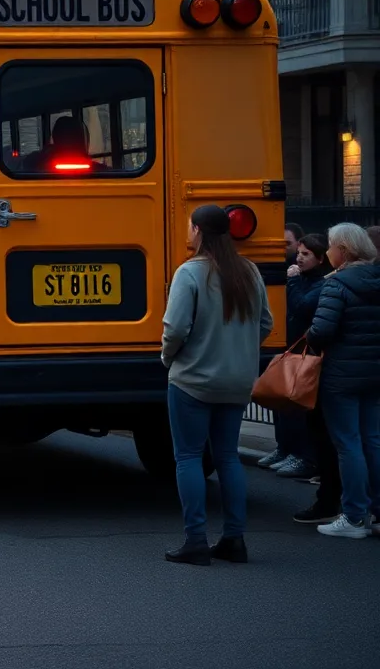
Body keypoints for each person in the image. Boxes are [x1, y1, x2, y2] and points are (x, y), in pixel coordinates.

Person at [160, 204, 273, 565]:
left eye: (190, 227)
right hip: (238, 379)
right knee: (227, 457)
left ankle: (195, 539)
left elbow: (175, 328)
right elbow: (266, 323)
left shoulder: (189, 273)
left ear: (197, 231)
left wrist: (169, 357)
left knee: (189, 456)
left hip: (193, 379)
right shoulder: (250, 271)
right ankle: (234, 539)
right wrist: (239, 350)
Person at [304, 223, 380, 539]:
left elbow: (321, 331)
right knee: (373, 440)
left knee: (347, 444)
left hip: (341, 376)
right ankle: (376, 512)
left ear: (343, 251)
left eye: (332, 246)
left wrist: (311, 340)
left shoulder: (336, 285)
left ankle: (353, 515)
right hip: (374, 373)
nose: (329, 251)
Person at [260, 234, 331, 480]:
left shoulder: (320, 283)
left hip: (309, 352)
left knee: (301, 406)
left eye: (306, 254)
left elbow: (302, 306)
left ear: (320, 258)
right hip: (293, 347)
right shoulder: (302, 279)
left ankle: (305, 457)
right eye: (299, 253)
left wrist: (292, 282)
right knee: (284, 401)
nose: (299, 258)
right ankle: (286, 448)